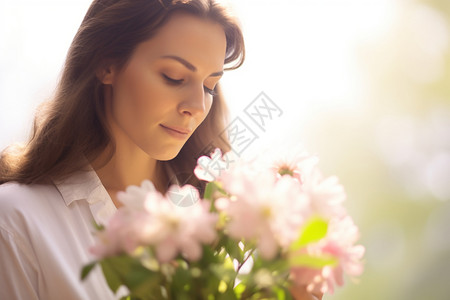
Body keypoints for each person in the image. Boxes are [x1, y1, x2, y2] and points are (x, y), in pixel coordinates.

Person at [0, 0, 321, 299]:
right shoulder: (18, 223)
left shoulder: (224, 221)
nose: (197, 106)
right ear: (106, 63)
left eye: (209, 86)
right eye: (174, 76)